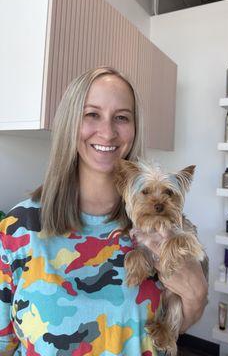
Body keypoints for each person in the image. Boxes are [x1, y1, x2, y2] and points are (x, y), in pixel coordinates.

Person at [0, 67, 208, 356]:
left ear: (134, 129)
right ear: (70, 123)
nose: (108, 132)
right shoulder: (18, 228)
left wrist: (197, 294)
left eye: (121, 117)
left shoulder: (159, 229)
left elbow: (171, 328)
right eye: (91, 114)